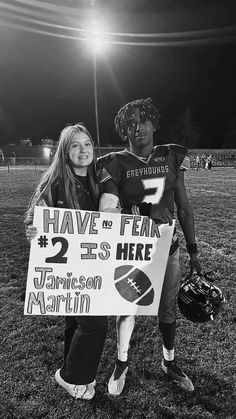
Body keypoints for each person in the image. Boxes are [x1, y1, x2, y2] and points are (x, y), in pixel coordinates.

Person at [97, 98, 201, 396]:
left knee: (166, 309)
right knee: (126, 306)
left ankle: (169, 362)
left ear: (154, 123)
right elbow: (109, 210)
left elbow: (183, 208)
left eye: (143, 120)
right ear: (122, 130)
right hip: (133, 247)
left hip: (168, 246)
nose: (137, 127)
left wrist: (194, 251)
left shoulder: (170, 155)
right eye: (130, 123)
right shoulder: (113, 163)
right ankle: (121, 362)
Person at [25, 123, 108, 400]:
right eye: (75, 145)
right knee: (95, 324)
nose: (82, 150)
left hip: (94, 266)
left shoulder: (101, 179)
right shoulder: (56, 181)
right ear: (65, 150)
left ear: (93, 148)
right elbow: (34, 218)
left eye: (86, 144)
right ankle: (72, 377)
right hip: (68, 271)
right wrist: (34, 229)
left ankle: (70, 371)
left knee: (76, 323)